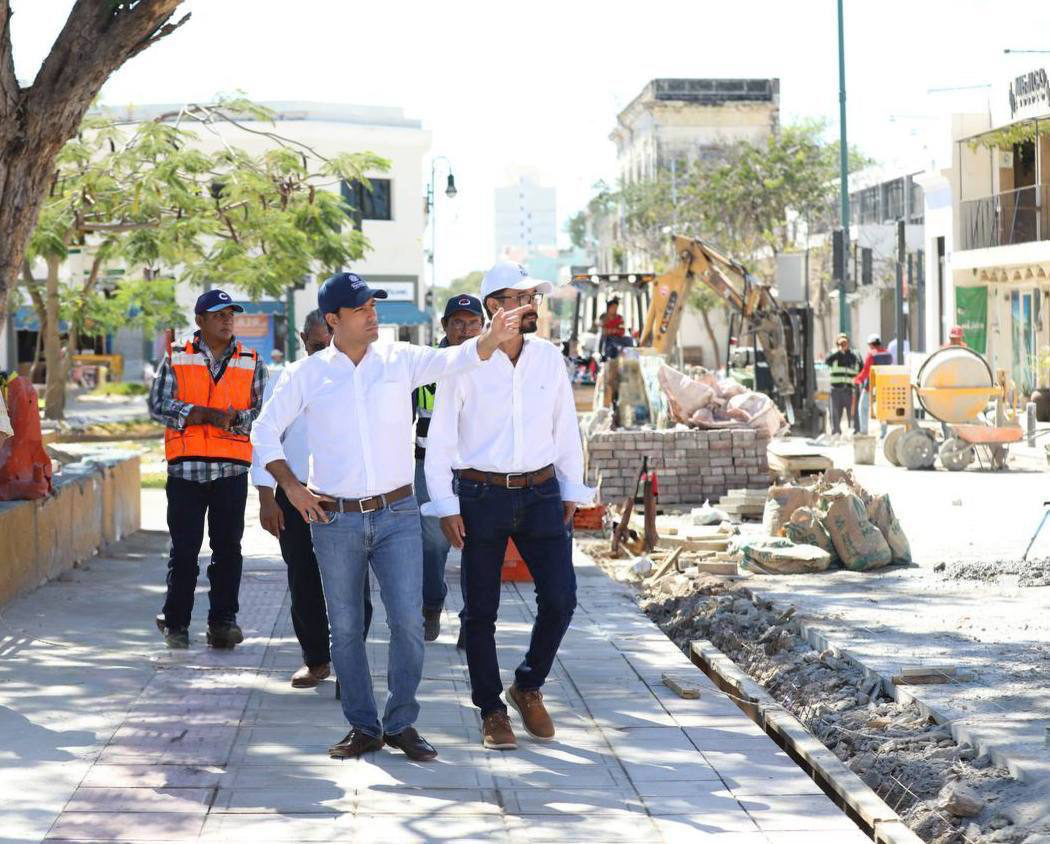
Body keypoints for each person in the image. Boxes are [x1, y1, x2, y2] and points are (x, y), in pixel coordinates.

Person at [251, 272, 523, 762]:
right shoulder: (307, 374)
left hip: (399, 513)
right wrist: (289, 487)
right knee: (348, 628)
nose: (373, 315)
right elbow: (263, 432)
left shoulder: (400, 359)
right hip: (335, 521)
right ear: (333, 320)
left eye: (374, 306)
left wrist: (490, 337)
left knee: (407, 621)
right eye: (361, 309)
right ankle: (363, 726)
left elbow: (455, 358)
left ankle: (401, 723)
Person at [424, 261, 595, 751]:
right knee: (481, 611)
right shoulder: (462, 362)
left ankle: (527, 684)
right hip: (480, 496)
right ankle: (491, 710)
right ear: (494, 305)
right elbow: (440, 440)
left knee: (561, 598)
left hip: (541, 493)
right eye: (522, 297)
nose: (533, 305)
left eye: (535, 297)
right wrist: (444, 504)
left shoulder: (548, 358)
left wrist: (571, 489)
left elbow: (566, 428)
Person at [252, 309, 373, 688]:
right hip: (296, 495)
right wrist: (266, 497)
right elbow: (265, 438)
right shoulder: (289, 379)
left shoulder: (361, 377)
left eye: (332, 343)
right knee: (303, 579)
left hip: (347, 499)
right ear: (304, 339)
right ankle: (317, 659)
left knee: (354, 586)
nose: (326, 351)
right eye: (319, 344)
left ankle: (351, 665)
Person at [150, 290, 267, 650]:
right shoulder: (176, 356)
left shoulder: (252, 360)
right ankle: (177, 624)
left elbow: (262, 412)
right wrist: (200, 414)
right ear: (200, 321)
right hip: (186, 472)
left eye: (230, 314)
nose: (227, 319)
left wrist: (236, 420)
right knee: (184, 550)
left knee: (228, 549)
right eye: (218, 314)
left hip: (230, 472)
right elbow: (158, 405)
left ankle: (222, 624)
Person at [412, 294, 484, 642]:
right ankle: (431, 605)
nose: (465, 330)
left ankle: (472, 619)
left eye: (472, 323)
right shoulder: (426, 364)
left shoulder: (492, 364)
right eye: (458, 322)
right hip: (429, 466)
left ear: (483, 327)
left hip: (478, 470)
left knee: (478, 543)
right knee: (433, 542)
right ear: (444, 326)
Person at [854, 334, 893, 437]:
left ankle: (864, 431)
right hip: (884, 386)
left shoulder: (872, 354)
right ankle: (883, 434)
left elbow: (866, 371)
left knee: (863, 407)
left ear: (871, 344)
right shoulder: (888, 354)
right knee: (883, 409)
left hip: (871, 386)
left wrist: (857, 379)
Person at [825, 333, 861, 436]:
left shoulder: (854, 355)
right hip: (836, 389)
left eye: (845, 343)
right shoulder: (833, 354)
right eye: (840, 343)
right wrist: (839, 352)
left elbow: (861, 368)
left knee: (853, 414)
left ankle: (855, 432)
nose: (843, 345)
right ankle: (836, 433)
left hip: (850, 390)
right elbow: (827, 361)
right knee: (835, 414)